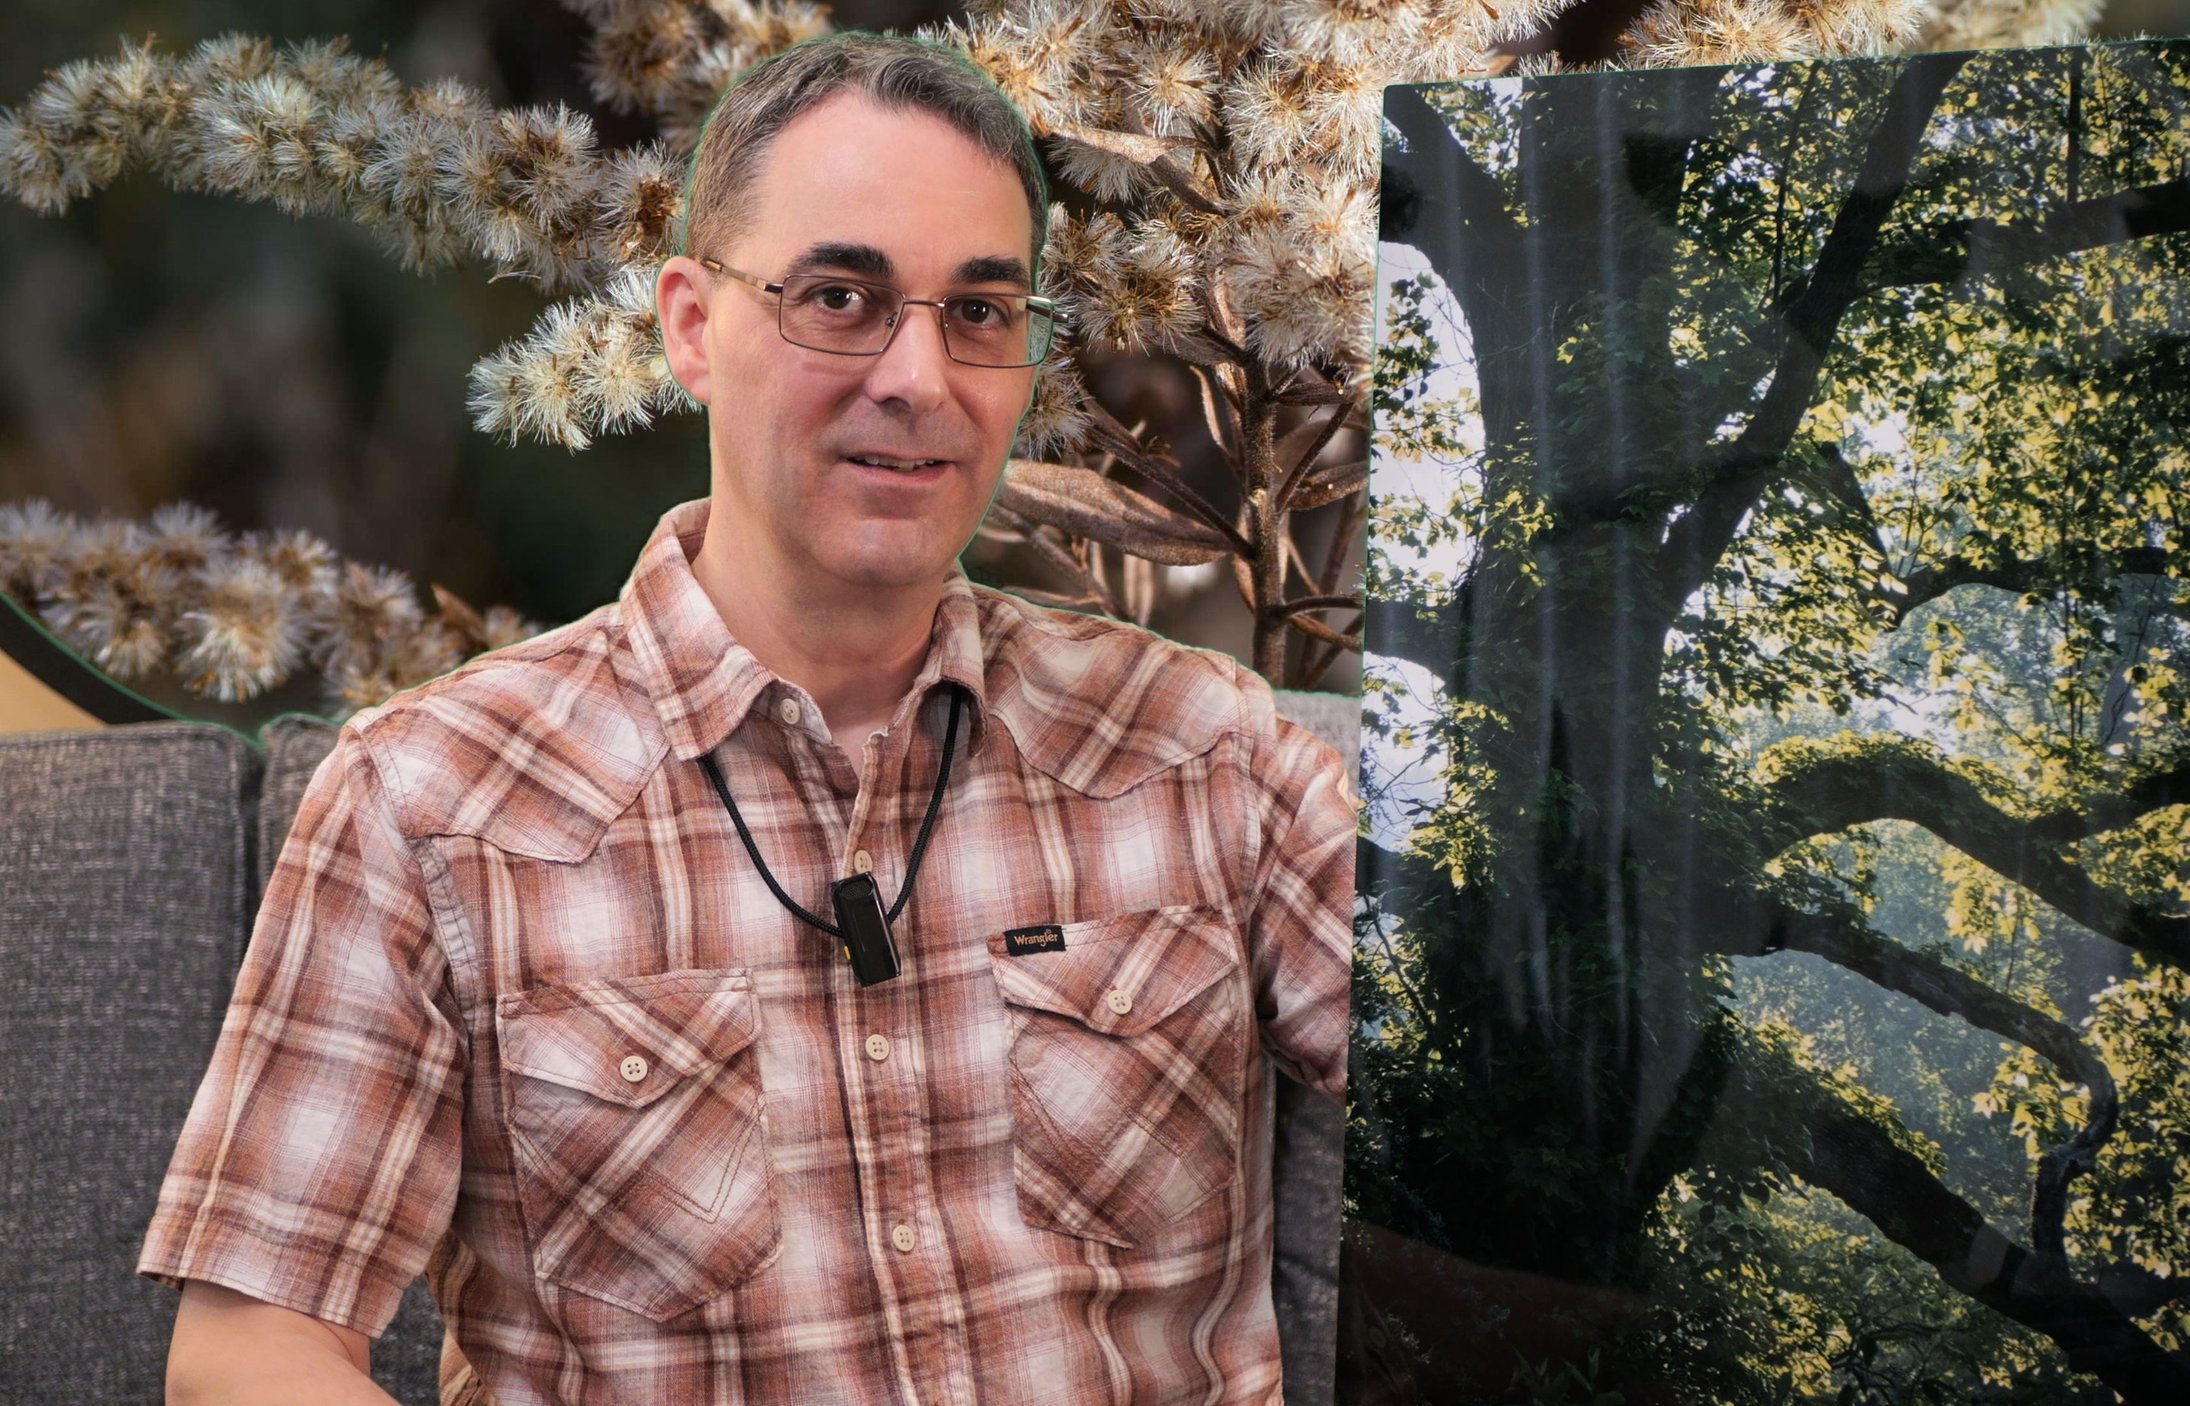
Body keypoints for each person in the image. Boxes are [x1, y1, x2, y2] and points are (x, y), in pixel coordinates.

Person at [141, 31, 1352, 1405]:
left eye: (979, 312)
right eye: (841, 296)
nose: (918, 376)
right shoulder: (426, 802)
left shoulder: (1209, 751)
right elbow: (248, 1350)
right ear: (691, 326)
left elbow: (1534, 1085)